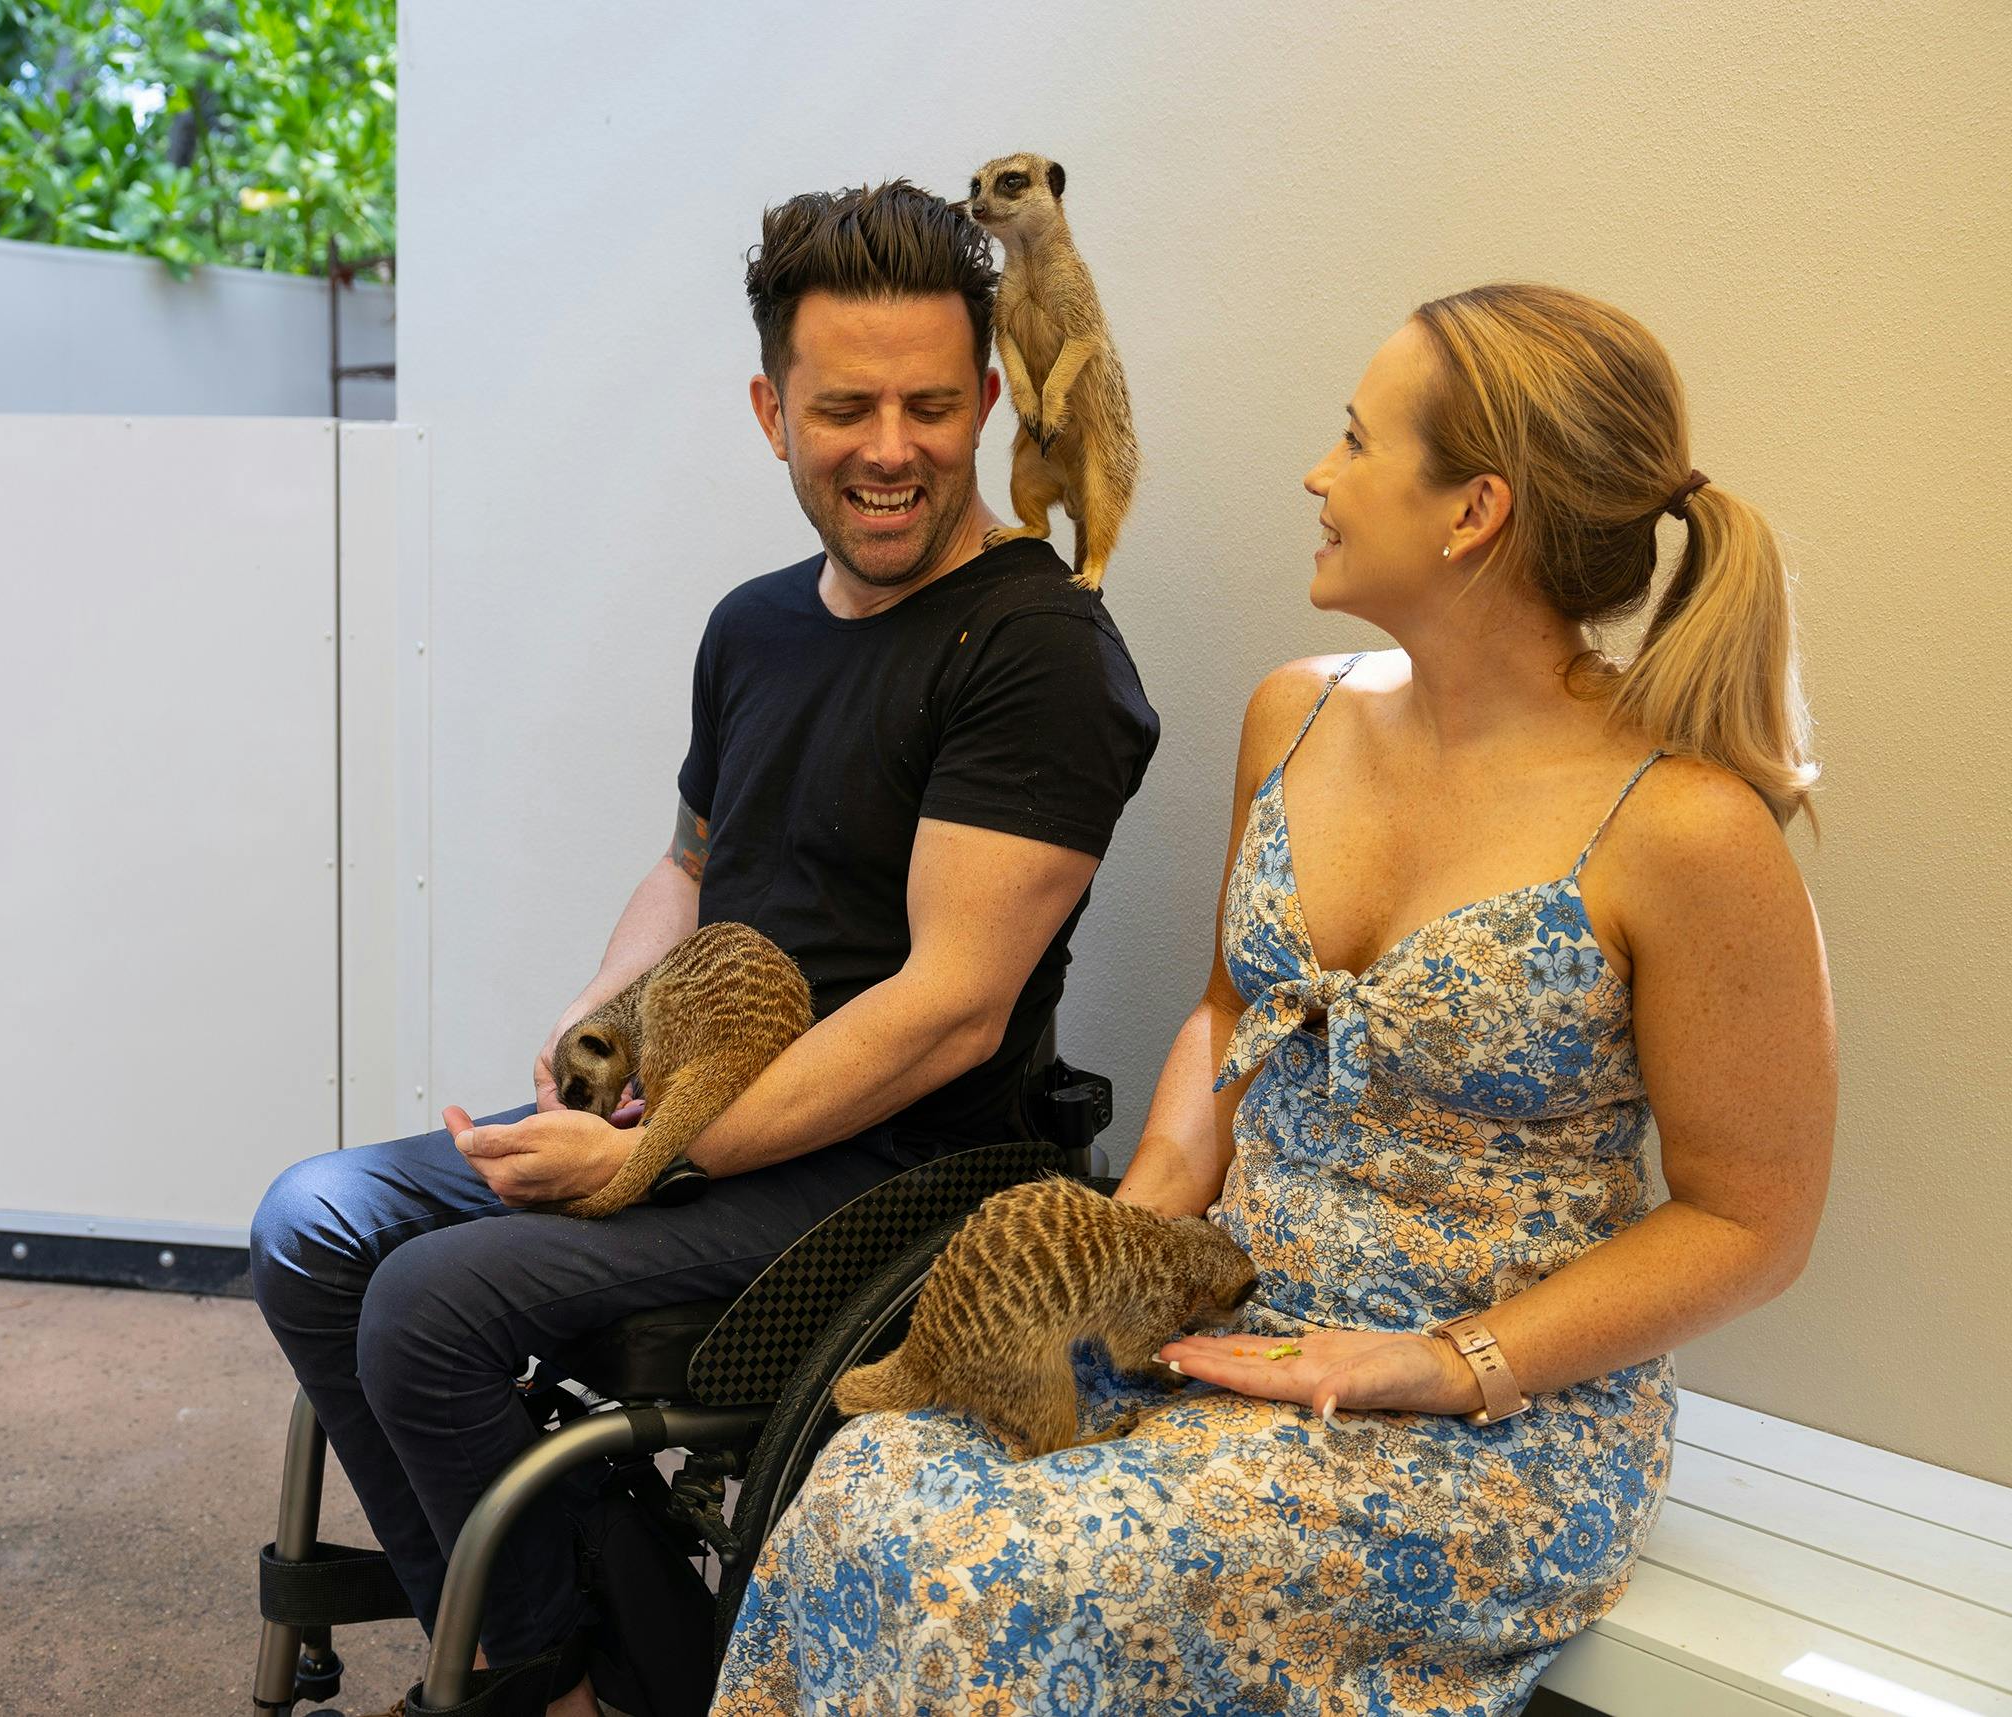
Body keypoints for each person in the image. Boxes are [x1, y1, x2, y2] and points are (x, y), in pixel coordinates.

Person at [713, 282, 1837, 1715]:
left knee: (1001, 1578)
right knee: (869, 1473)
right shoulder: (1295, 712)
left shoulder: (1683, 826)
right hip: (1222, 1317)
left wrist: (1442, 1361)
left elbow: (1753, 1218)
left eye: (1357, 441)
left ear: (1474, 509)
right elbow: (1221, 1013)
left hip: (1494, 1421)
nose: (1319, 473)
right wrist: (1159, 1203)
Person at [250, 180, 1159, 1717]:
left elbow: (947, 1011)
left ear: (993, 397)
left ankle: (556, 1658)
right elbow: (688, 872)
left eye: (934, 406)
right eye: (846, 406)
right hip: (689, 1106)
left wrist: (655, 1156)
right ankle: (540, 1645)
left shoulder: (1036, 650)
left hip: (888, 1165)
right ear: (771, 408)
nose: (892, 449)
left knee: (425, 1305)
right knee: (313, 1225)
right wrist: (595, 1033)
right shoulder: (753, 625)